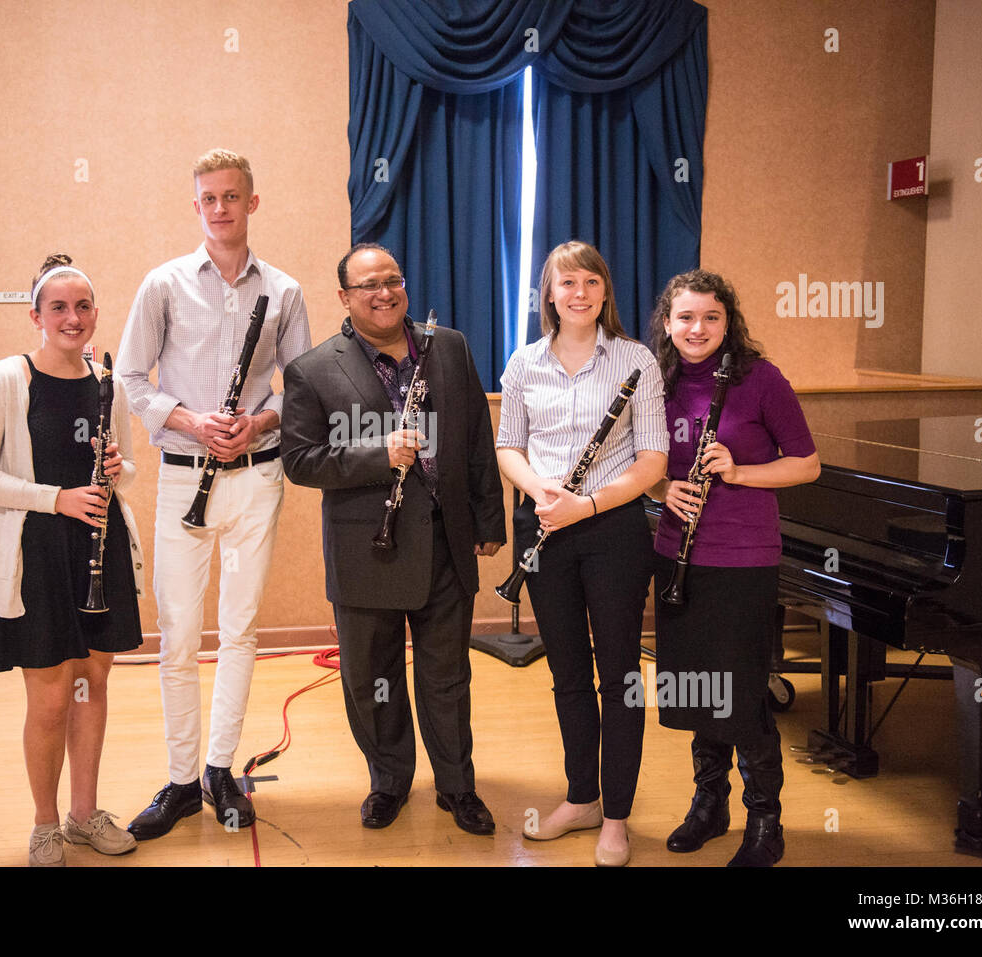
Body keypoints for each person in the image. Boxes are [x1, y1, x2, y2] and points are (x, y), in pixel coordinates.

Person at [116, 149, 311, 839]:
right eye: (208, 198)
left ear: (251, 203)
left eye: (232, 196)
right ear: (195, 205)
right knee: (175, 634)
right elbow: (131, 378)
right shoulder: (162, 284)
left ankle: (221, 768)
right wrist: (194, 421)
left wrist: (258, 420)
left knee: (240, 628)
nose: (220, 208)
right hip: (182, 477)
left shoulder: (283, 291)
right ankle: (177, 780)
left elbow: (301, 391)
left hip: (256, 474)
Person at [280, 243, 506, 834]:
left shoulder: (448, 347)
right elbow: (301, 461)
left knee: (448, 678)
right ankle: (388, 782)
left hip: (446, 543)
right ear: (344, 298)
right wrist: (377, 455)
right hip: (368, 550)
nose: (384, 293)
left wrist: (488, 521)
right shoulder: (312, 369)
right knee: (371, 677)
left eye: (393, 280)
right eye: (368, 286)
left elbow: (477, 438)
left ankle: (458, 787)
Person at [0, 253, 144, 867]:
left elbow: (128, 466)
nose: (72, 317)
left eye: (83, 306)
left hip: (100, 541)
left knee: (93, 682)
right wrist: (54, 499)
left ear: (94, 313)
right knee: (52, 696)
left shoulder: (105, 379)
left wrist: (119, 471)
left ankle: (84, 815)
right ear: (36, 316)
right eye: (58, 307)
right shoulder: (9, 379)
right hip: (40, 551)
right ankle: (44, 825)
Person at [496, 240, 667, 866]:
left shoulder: (636, 360)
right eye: (566, 283)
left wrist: (587, 505)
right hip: (544, 524)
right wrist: (537, 486)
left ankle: (616, 818)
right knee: (566, 671)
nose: (579, 294)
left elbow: (653, 460)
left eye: (590, 283)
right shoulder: (524, 363)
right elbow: (507, 445)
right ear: (548, 293)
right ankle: (582, 797)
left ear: (604, 291)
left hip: (612, 529)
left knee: (619, 674)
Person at [646, 269, 820, 867]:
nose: (698, 328)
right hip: (676, 556)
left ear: (728, 321)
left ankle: (765, 821)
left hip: (743, 558)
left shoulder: (760, 379)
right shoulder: (655, 379)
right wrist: (665, 487)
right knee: (696, 686)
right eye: (686, 317)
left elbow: (806, 465)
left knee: (740, 692)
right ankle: (709, 804)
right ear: (667, 323)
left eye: (711, 317)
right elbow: (638, 463)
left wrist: (739, 471)